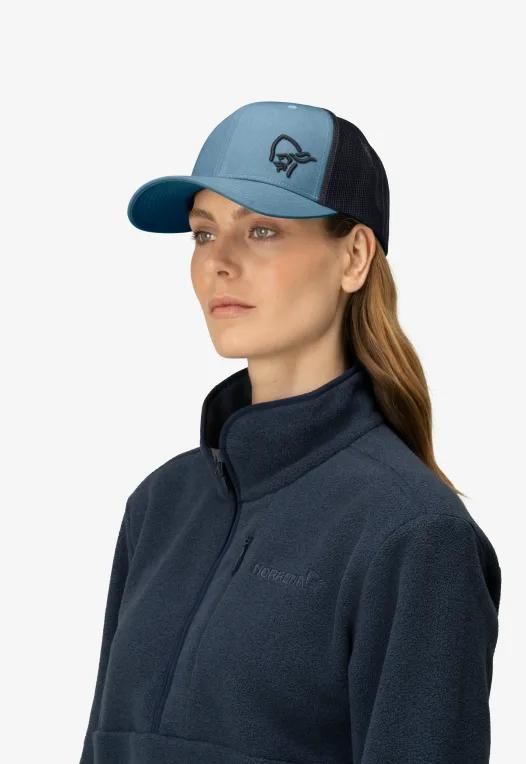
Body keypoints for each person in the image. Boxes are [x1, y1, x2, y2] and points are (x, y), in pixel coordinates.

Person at [79, 100, 502, 764]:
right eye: (203, 234)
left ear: (353, 257)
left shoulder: (413, 535)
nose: (219, 262)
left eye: (262, 230)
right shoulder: (159, 507)